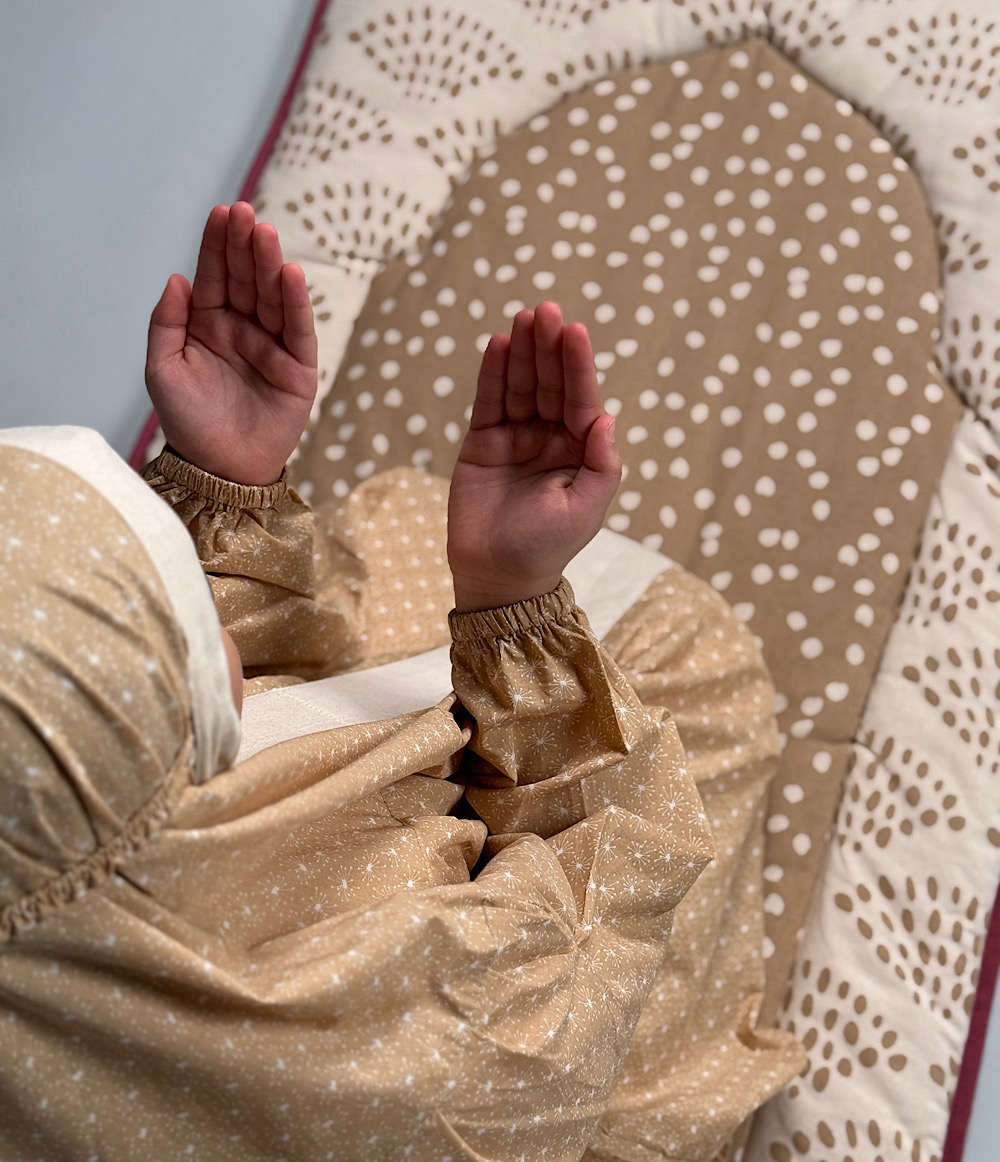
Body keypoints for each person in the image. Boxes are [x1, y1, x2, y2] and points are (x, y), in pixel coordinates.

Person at [0, 204, 803, 1161]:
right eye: (173, 614)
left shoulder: (60, 867)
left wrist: (226, 482)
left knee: (397, 524)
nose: (192, 609)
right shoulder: (425, 1053)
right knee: (695, 674)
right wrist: (512, 600)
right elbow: (584, 948)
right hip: (552, 1058)